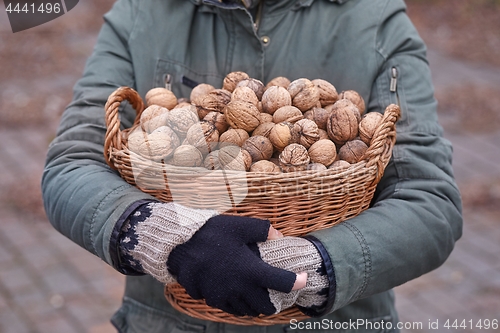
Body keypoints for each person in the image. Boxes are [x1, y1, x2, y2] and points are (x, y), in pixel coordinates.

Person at [41, 0, 463, 331]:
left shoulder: (374, 18)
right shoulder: (142, 12)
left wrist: (316, 265)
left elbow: (431, 199)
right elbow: (71, 162)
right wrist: (162, 234)